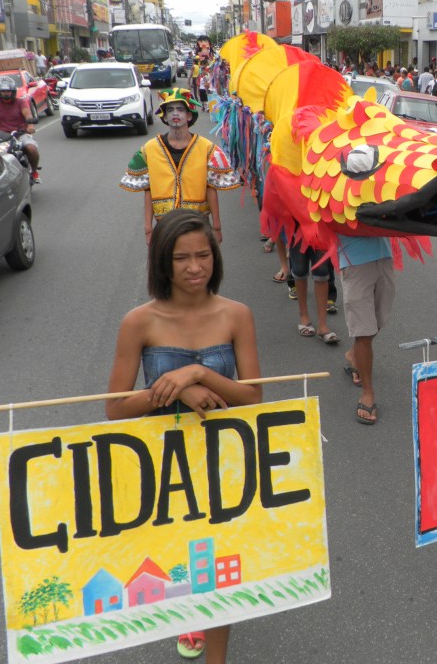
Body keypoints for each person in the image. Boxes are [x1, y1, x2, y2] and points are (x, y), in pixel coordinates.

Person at [105, 209, 263, 661]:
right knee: (179, 560)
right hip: (163, 465)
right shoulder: (139, 321)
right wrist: (179, 392)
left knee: (217, 565)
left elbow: (252, 399)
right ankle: (187, 616)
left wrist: (199, 375)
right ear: (162, 263)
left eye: (203, 255)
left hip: (222, 461)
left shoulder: (237, 314)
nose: (195, 267)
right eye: (181, 258)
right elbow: (116, 408)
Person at [120, 88, 240, 245]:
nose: (175, 114)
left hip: (197, 223)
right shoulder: (149, 149)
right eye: (170, 110)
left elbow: (211, 188)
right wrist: (148, 229)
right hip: (165, 225)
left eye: (180, 110)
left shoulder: (207, 149)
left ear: (189, 115)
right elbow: (148, 190)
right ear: (164, 116)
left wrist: (216, 227)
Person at [338, 234, 395, 425]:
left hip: (384, 255)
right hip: (354, 260)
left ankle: (353, 354)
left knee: (378, 321)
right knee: (363, 331)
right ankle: (367, 393)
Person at [0, 75, 42, 183]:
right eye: (3, 91)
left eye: (8, 91)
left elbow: (27, 114)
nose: (6, 93)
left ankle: (34, 171)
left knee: (31, 149)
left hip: (19, 134)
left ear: (13, 91)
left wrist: (30, 126)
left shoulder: (21, 102)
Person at [288, 234, 339, 344]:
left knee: (321, 271)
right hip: (296, 224)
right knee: (299, 270)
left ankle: (322, 325)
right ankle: (304, 317)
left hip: (320, 225)